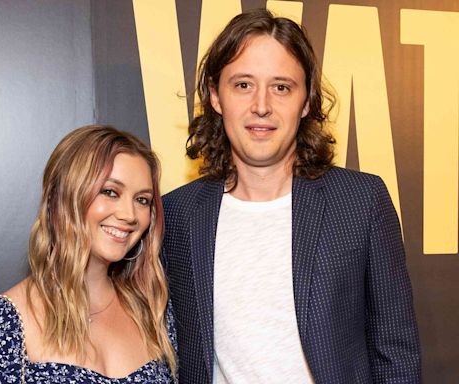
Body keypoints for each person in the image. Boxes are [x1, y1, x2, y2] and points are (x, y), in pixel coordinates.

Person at [162, 8, 420, 384]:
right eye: (243, 85)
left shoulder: (360, 202)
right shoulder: (179, 213)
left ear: (306, 101)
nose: (262, 106)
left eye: (281, 87)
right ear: (216, 96)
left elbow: (395, 352)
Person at [0, 125, 177, 383]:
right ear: (64, 196)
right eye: (110, 192)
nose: (129, 214)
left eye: (142, 200)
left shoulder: (152, 310)